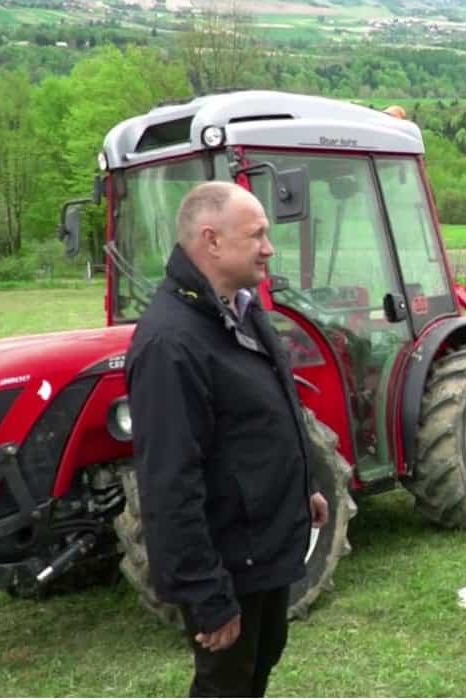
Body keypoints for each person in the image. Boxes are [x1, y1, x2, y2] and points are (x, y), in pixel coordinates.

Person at [126, 181, 331, 697]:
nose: (269, 247)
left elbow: (263, 417)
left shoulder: (240, 311)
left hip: (259, 548)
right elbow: (170, 483)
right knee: (227, 684)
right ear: (212, 240)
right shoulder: (171, 342)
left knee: (259, 663)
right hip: (228, 561)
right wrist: (206, 594)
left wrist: (303, 486)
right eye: (257, 235)